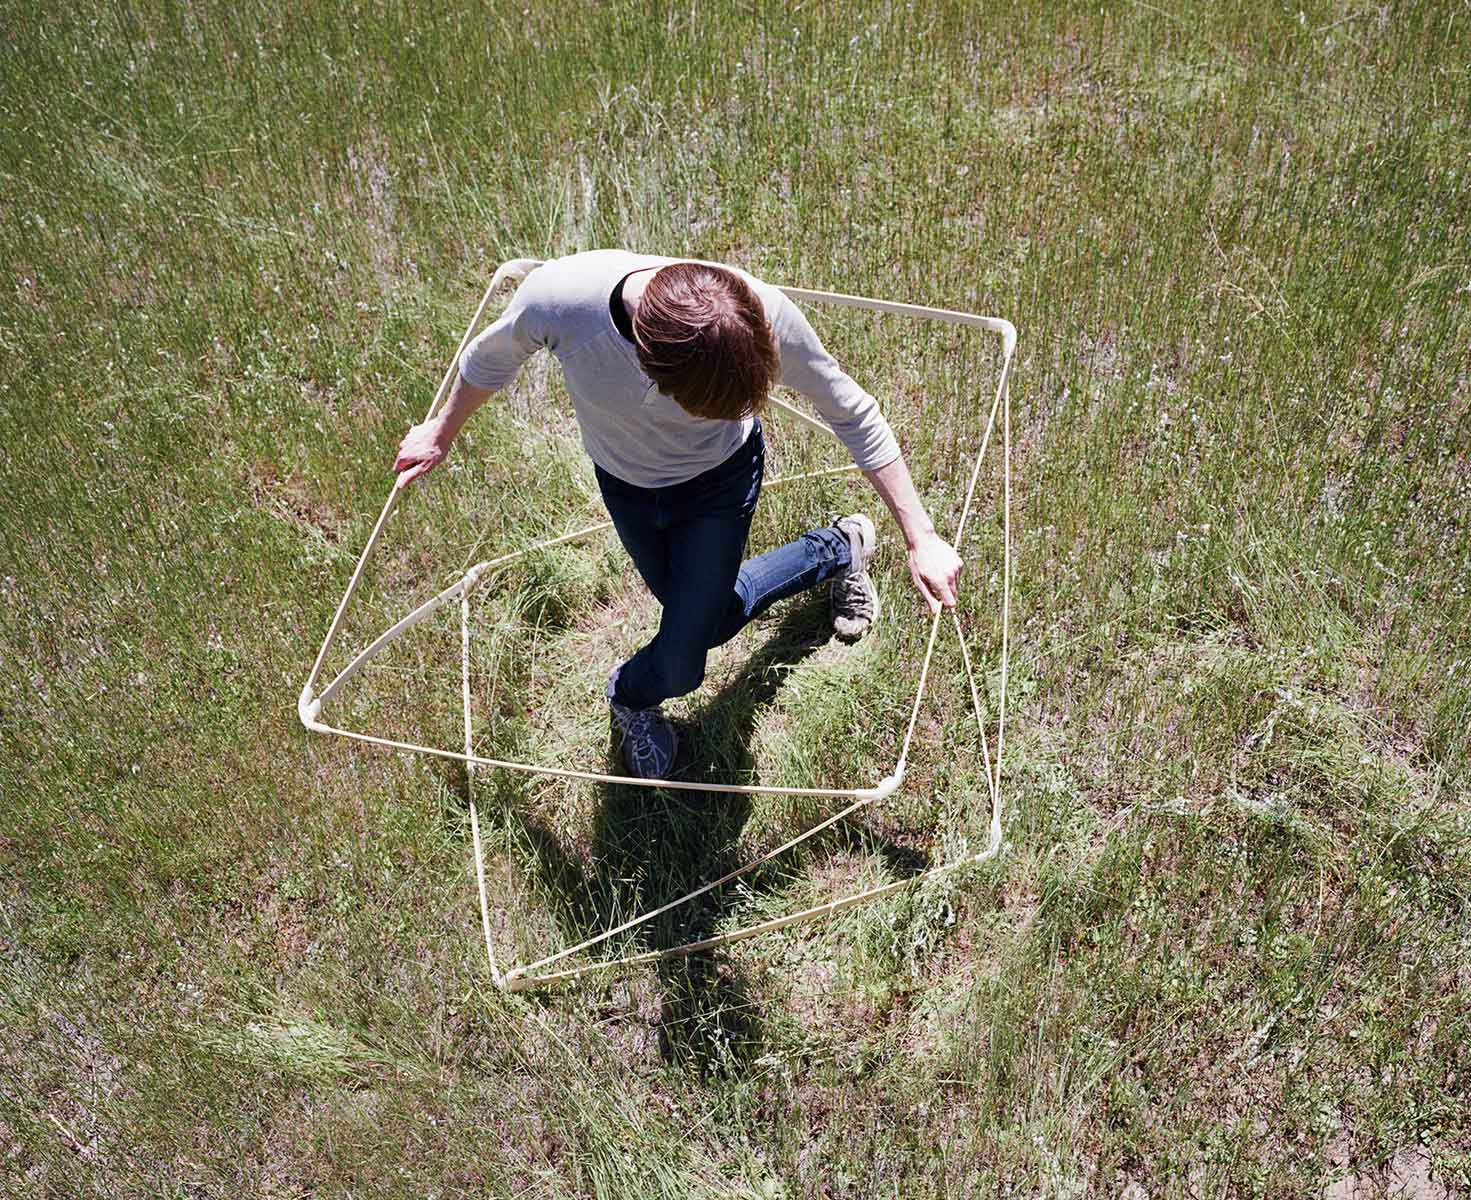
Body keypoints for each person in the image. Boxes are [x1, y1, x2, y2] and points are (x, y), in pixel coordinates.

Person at [395, 250, 962, 779]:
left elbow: (855, 413)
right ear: (650, 368)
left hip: (721, 484)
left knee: (685, 658)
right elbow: (489, 360)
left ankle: (632, 694)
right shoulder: (561, 301)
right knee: (703, 618)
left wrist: (923, 536)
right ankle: (840, 547)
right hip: (625, 485)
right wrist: (441, 432)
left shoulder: (763, 316)